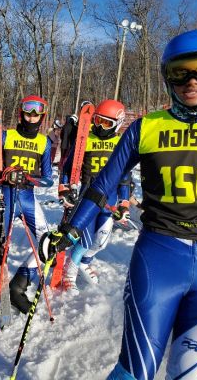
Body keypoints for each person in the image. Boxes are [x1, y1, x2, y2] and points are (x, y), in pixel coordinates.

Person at [39, 29, 197, 379]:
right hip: (160, 256)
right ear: (167, 76)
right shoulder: (146, 128)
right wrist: (71, 229)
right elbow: (103, 185)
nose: (192, 81)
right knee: (133, 373)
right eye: (180, 72)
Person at [0, 95, 53, 314]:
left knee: (48, 244)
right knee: (1, 245)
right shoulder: (4, 136)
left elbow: (48, 179)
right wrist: (4, 173)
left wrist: (28, 178)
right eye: (28, 111)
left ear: (42, 116)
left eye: (37, 113)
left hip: (28, 198)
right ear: (21, 113)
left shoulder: (44, 142)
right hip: (7, 196)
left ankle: (18, 285)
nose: (32, 116)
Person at [58, 99, 131, 295]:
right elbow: (67, 167)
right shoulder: (85, 139)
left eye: (106, 123)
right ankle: (69, 275)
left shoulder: (121, 143)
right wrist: (64, 188)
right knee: (86, 239)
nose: (99, 126)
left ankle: (84, 262)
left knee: (101, 241)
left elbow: (125, 177)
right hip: (88, 195)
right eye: (97, 120)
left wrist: (124, 203)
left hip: (111, 198)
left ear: (118, 123)